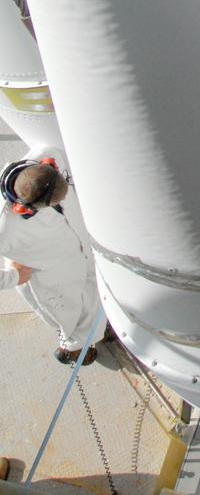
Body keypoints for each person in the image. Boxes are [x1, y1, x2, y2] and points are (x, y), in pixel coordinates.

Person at [0, 149, 102, 365]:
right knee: (70, 315)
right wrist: (13, 277)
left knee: (93, 294)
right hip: (51, 275)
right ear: (24, 207)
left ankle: (100, 328)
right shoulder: (4, 228)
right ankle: (74, 348)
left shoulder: (46, 152)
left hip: (80, 248)